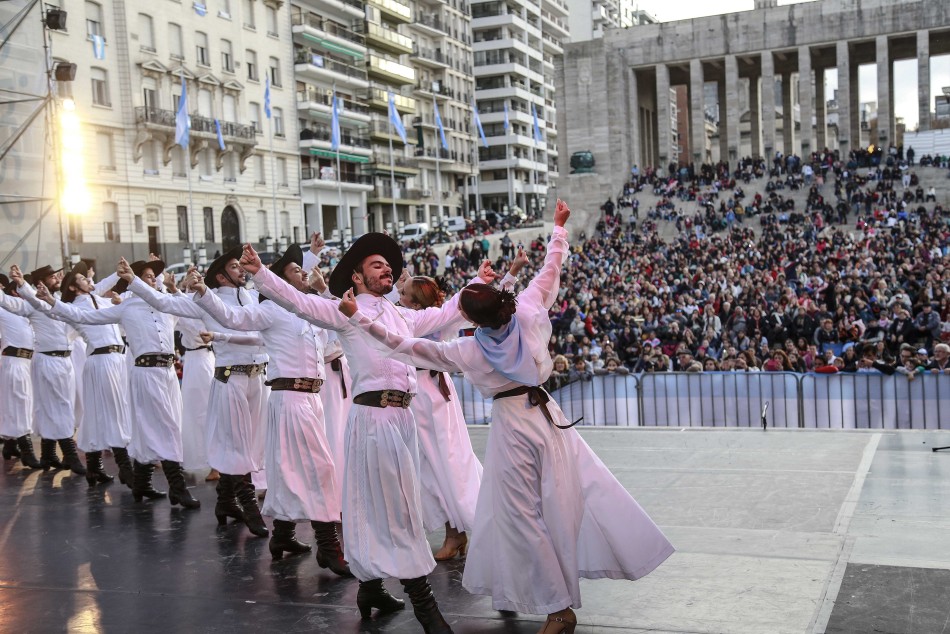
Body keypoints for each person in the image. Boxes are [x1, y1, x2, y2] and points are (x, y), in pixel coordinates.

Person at [340, 199, 673, 634]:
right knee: (570, 500)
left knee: (520, 515)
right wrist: (558, 229)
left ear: (472, 321)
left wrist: (362, 323)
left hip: (514, 431)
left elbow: (407, 346)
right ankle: (542, 596)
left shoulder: (470, 349)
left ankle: (557, 606)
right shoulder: (529, 311)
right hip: (547, 418)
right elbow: (550, 272)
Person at [241, 233, 493, 633]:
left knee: (384, 504)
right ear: (357, 277)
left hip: (402, 420)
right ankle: (424, 605)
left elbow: (445, 314)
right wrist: (262, 276)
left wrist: (479, 284)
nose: (387, 269)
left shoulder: (401, 315)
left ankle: (370, 586)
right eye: (377, 265)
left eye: (388, 266)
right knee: (397, 510)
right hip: (373, 418)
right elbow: (301, 303)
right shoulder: (346, 310)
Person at [189, 244, 350, 573]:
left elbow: (339, 321)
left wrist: (325, 290)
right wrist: (205, 291)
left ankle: (282, 535)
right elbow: (233, 318)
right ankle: (329, 547)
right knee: (320, 469)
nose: (302, 272)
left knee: (288, 471)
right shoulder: (271, 311)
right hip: (290, 398)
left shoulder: (310, 309)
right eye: (295, 269)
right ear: (279, 279)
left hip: (312, 399)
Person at [124, 248, 267, 534]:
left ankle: (225, 501)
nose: (241, 270)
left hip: (257, 379)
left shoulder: (251, 297)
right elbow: (163, 302)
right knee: (237, 445)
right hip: (231, 379)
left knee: (252, 445)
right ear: (221, 276)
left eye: (241, 266)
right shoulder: (204, 301)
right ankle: (250, 508)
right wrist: (134, 281)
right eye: (235, 266)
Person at [37, 260, 199, 508]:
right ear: (133, 280)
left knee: (161, 426)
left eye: (153, 275)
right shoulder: (126, 308)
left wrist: (182, 286)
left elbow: (193, 309)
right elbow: (82, 316)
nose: (152, 279)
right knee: (166, 427)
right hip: (145, 373)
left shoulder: (166, 304)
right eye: (146, 275)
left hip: (167, 373)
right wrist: (51, 301)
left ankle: (142, 482)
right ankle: (177, 487)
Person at [395, 270, 483, 563]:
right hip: (421, 395)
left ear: (416, 304)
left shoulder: (433, 321)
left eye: (403, 292)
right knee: (434, 467)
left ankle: (457, 532)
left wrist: (486, 279)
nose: (399, 294)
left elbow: (461, 306)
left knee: (445, 464)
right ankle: (455, 532)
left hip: (431, 395)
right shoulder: (406, 318)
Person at [25, 262, 134, 486]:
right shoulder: (76, 307)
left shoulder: (100, 301)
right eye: (83, 279)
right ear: (74, 288)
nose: (88, 280)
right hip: (101, 360)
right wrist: (51, 300)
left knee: (94, 414)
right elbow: (65, 312)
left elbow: (109, 292)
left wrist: (120, 274)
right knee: (115, 412)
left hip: (115, 359)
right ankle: (126, 468)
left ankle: (94, 468)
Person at [1, 264, 84, 474]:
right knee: (55, 406)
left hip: (60, 361)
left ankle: (48, 453)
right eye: (52, 276)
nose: (57, 278)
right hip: (41, 361)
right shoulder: (31, 304)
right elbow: (8, 302)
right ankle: (69, 455)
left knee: (52, 407)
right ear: (40, 283)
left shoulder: (59, 303)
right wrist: (21, 284)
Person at [0, 273, 41, 468]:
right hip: (13, 360)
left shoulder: (27, 313)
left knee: (20, 403)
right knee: (20, 403)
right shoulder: (3, 310)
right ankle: (27, 451)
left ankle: (9, 445)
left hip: (27, 362)